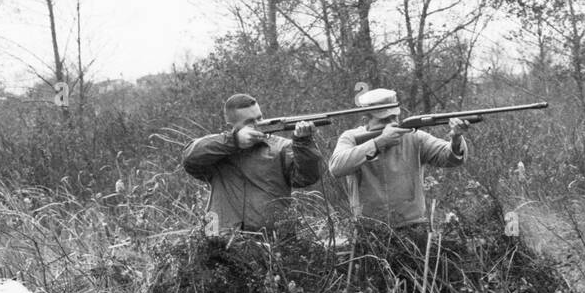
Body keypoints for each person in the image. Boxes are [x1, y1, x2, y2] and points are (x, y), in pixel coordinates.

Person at [328, 87, 469, 231]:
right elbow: (336, 168)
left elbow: (450, 158)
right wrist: (378, 142)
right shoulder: (351, 137)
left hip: (413, 225)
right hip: (370, 229)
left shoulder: (413, 136)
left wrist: (456, 138)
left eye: (394, 117)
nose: (391, 123)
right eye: (383, 119)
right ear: (366, 120)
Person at [182, 94, 323, 234]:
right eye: (250, 121)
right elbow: (189, 157)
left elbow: (307, 178)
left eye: (260, 118)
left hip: (272, 239)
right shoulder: (217, 149)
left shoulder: (282, 147)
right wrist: (234, 141)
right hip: (220, 237)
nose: (259, 124)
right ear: (231, 125)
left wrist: (303, 143)